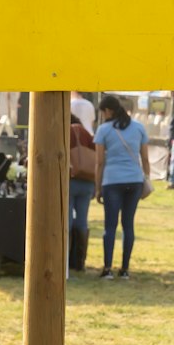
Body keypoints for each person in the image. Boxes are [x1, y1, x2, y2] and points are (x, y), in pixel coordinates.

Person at [93, 96, 149, 279]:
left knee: (110, 226)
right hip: (134, 180)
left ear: (108, 111)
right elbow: (145, 158)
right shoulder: (139, 128)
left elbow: (100, 162)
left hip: (112, 180)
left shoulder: (104, 130)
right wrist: (146, 178)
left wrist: (98, 187)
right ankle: (125, 269)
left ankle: (107, 268)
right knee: (128, 225)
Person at [68, 115, 97, 273]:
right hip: (87, 182)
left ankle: (65, 260)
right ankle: (79, 262)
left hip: (71, 180)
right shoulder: (86, 134)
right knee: (82, 221)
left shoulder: (67, 132)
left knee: (67, 221)